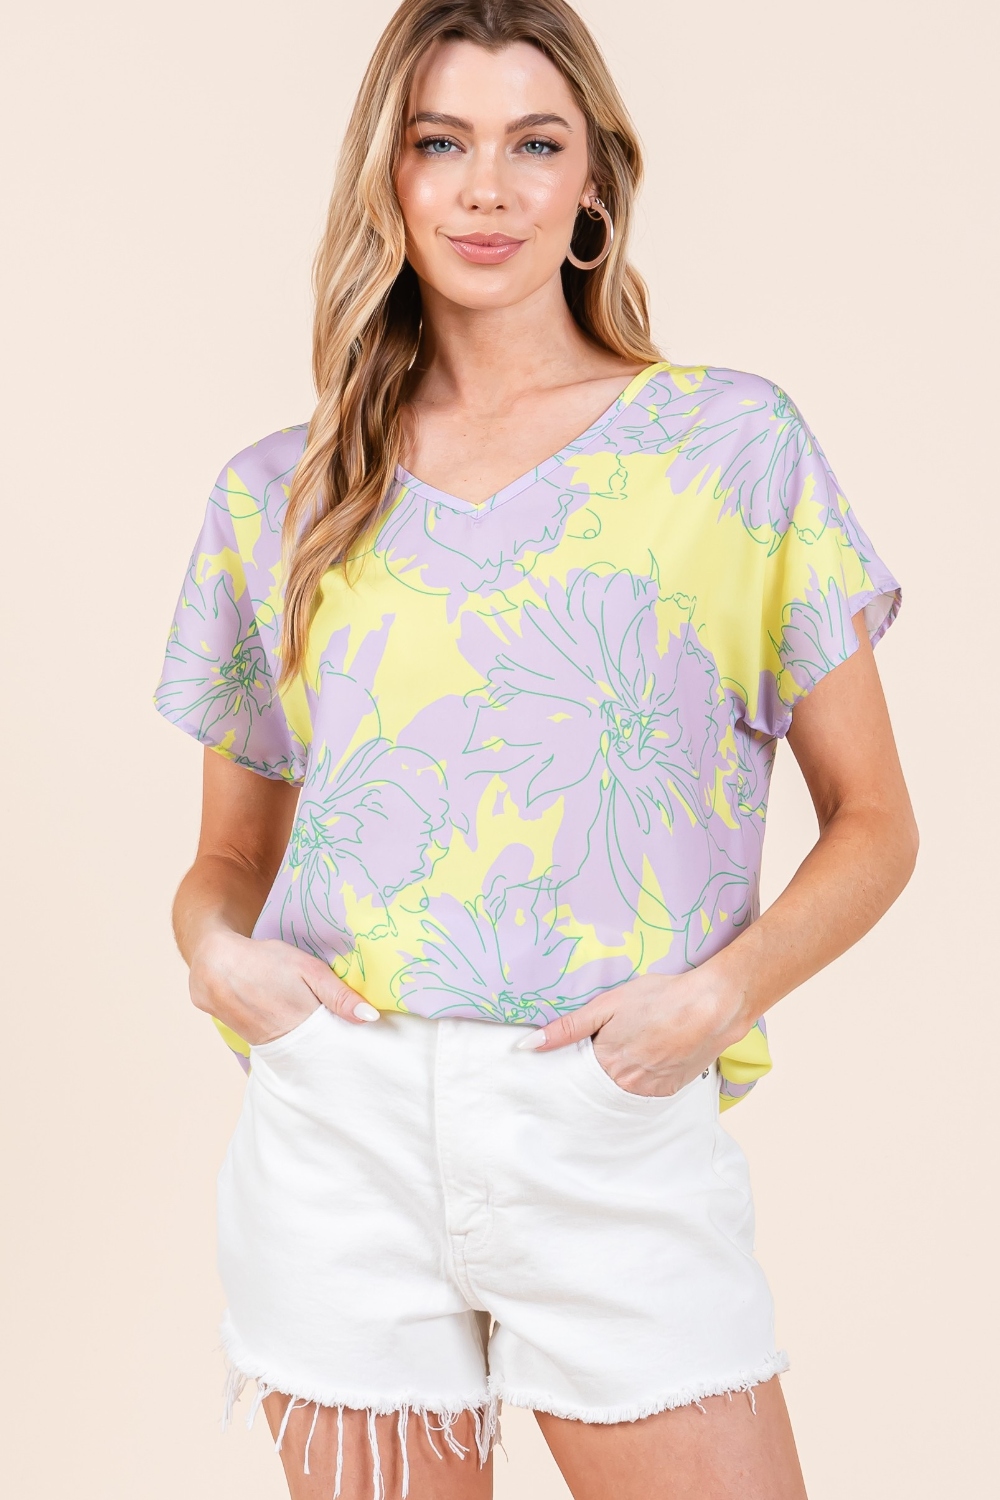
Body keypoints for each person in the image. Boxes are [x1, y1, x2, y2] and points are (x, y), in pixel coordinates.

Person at [154, 2, 917, 1495]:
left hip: (605, 1111)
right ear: (387, 175)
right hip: (341, 1127)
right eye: (441, 142)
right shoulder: (278, 496)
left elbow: (878, 820)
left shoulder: (730, 449)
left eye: (535, 143)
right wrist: (217, 960)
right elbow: (229, 859)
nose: (487, 189)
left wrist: (718, 998)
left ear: (594, 183)